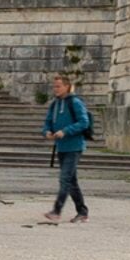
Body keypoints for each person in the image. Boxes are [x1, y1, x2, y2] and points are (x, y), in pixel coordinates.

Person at [39, 72, 92, 223]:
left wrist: (66, 131)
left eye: (58, 86)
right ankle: (82, 211)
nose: (55, 89)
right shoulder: (54, 104)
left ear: (67, 87)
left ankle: (56, 210)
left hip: (74, 146)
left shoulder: (75, 102)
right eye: (54, 86)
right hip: (61, 147)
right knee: (71, 181)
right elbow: (48, 121)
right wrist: (47, 131)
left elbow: (84, 122)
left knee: (65, 179)